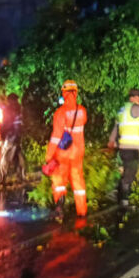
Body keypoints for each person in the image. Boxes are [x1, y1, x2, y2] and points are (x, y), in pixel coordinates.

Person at [46, 80, 88, 218]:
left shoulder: (60, 112)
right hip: (78, 153)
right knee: (78, 181)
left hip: (63, 154)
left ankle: (59, 209)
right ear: (76, 93)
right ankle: (82, 212)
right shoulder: (82, 111)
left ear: (64, 93)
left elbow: (56, 136)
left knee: (59, 180)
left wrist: (49, 156)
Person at [108, 89, 139, 207]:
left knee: (128, 171)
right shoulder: (134, 108)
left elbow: (116, 127)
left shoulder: (122, 110)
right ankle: (120, 196)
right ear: (133, 97)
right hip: (131, 147)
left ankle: (122, 198)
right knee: (130, 172)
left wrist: (111, 140)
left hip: (124, 147)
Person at [0, 94, 26, 183]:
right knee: (18, 155)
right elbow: (21, 123)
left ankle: (3, 177)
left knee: (5, 156)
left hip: (10, 135)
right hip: (17, 135)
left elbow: (6, 123)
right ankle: (22, 176)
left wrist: (3, 134)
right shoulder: (19, 109)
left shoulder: (9, 109)